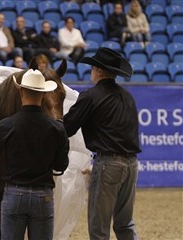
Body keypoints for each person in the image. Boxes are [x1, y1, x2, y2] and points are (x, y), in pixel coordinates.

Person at [0, 69, 69, 240]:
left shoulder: (6, 126)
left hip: (14, 194)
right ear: (44, 95)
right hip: (43, 195)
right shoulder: (57, 128)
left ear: (20, 91)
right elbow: (61, 165)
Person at [63, 47, 141, 240]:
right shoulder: (127, 96)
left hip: (109, 164)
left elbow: (67, 127)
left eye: (92, 68)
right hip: (131, 163)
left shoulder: (90, 96)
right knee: (125, 223)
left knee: (99, 227)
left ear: (98, 71)